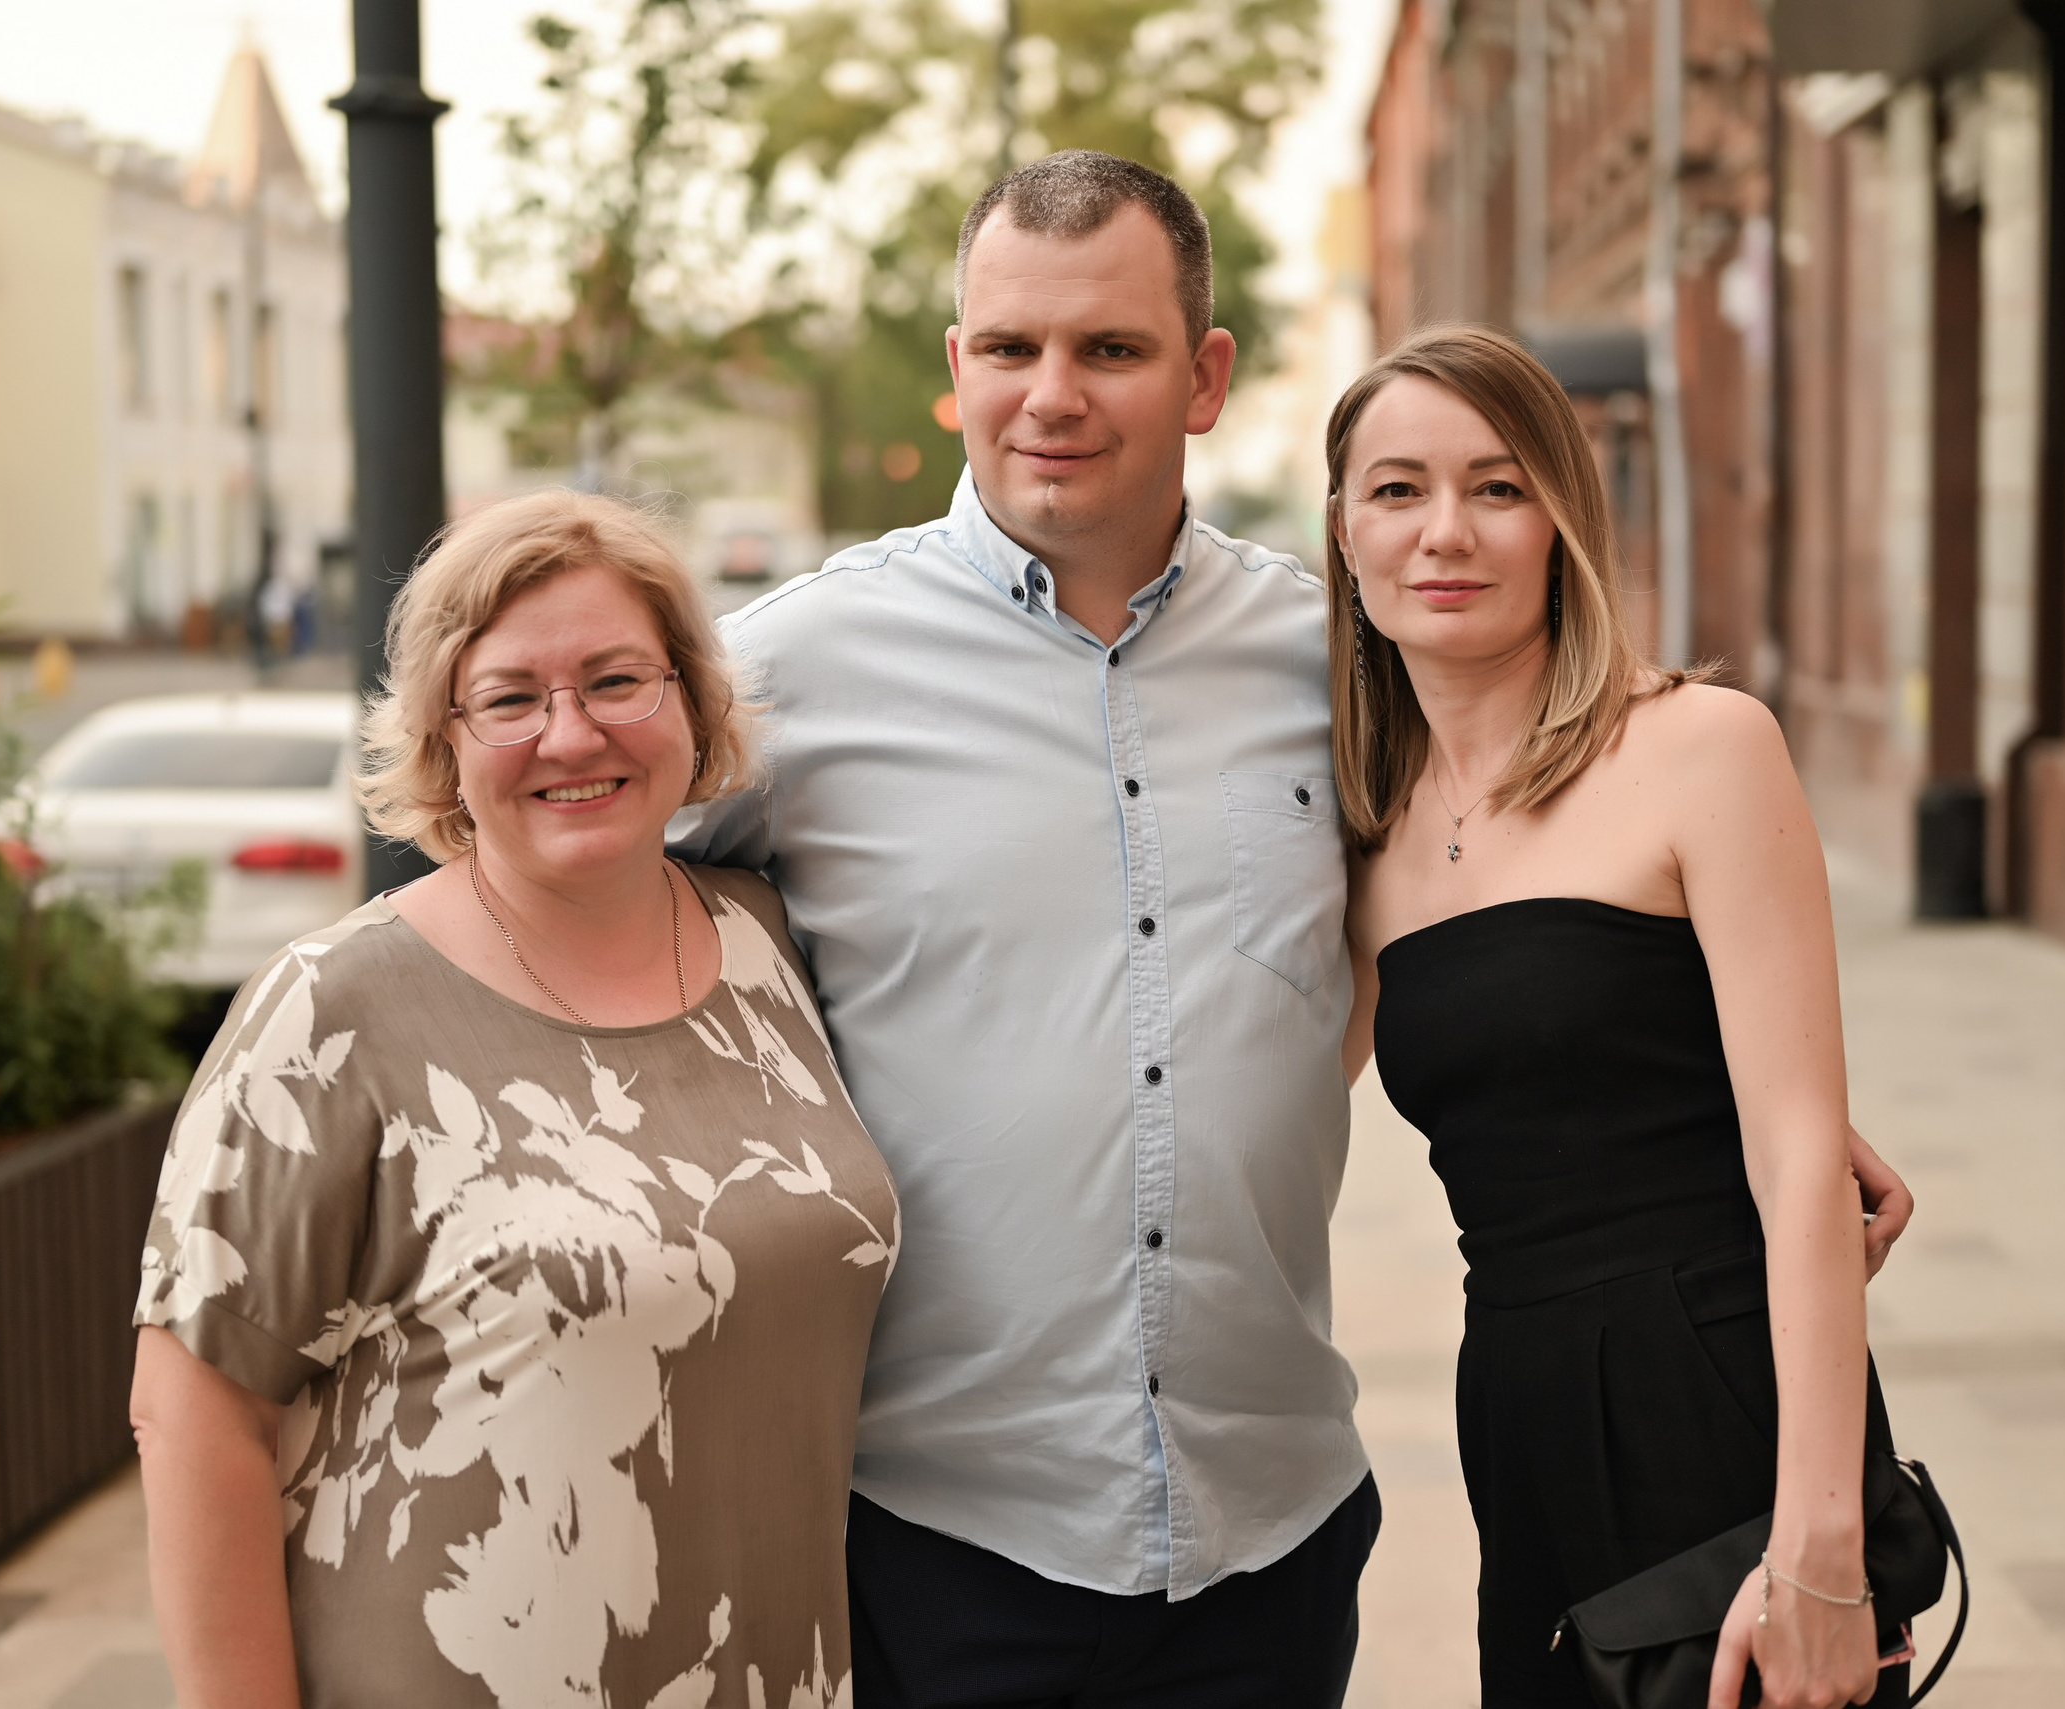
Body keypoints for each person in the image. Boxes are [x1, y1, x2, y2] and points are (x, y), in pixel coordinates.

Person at [671, 151, 1912, 1708]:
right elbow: (573, 873)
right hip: (949, 1524)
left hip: (1270, 1531)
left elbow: (1519, 933)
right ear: (956, 370)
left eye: (1109, 349)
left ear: (1204, 378)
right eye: (1010, 347)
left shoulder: (1332, 660)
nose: (1052, 393)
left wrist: (1755, 1129)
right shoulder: (789, 672)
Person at [129, 491, 895, 1709]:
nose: (569, 733)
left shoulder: (764, 942)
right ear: (443, 737)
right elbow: (193, 1419)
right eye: (509, 698)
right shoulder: (331, 1014)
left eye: (615, 680)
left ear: (691, 701)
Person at [1330, 326, 1903, 1708]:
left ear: (1563, 523)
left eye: (1500, 486)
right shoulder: (1363, 828)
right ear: (1344, 535)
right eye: (1398, 490)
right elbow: (1257, 1095)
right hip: (1518, 1411)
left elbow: (1798, 1166)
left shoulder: (1701, 747)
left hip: (1715, 1402)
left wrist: (1820, 1545)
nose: (1445, 533)